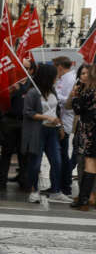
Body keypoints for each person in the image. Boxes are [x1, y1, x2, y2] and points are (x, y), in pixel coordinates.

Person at [21, 63, 63, 204]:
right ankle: (34, 190)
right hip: (37, 132)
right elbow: (27, 112)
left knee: (57, 160)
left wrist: (59, 124)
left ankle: (56, 190)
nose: (57, 78)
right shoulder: (33, 92)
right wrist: (46, 117)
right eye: (54, 76)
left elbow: (56, 110)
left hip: (52, 131)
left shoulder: (52, 91)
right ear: (48, 77)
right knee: (35, 163)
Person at [70, 64, 96, 210]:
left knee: (90, 164)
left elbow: (78, 109)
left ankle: (83, 200)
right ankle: (85, 199)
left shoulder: (89, 92)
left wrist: (75, 96)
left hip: (91, 131)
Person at [51, 56, 77, 202]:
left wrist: (55, 96)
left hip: (65, 121)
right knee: (60, 155)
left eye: (55, 66)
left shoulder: (69, 79)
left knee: (63, 156)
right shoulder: (62, 78)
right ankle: (58, 184)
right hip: (60, 120)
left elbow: (68, 99)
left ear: (60, 66)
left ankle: (65, 186)